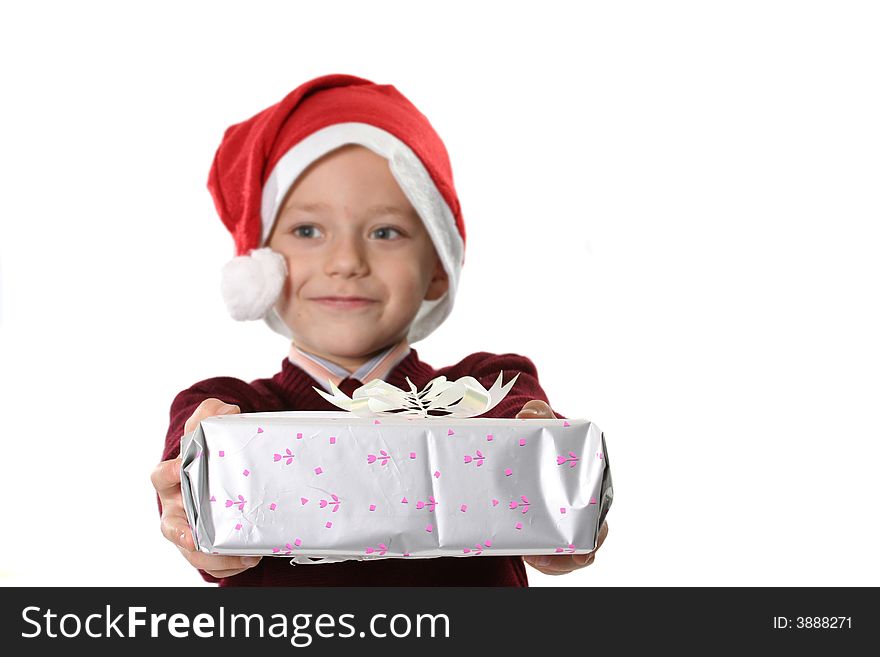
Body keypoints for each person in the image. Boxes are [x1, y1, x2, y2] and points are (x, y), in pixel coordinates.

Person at [151, 73, 609, 586]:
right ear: (261, 264)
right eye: (308, 231)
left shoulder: (488, 385)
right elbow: (192, 459)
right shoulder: (225, 408)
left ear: (437, 264)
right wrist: (192, 510)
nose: (346, 261)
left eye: (385, 231)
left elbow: (531, 441)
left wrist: (554, 489)